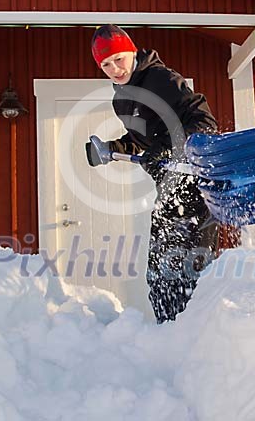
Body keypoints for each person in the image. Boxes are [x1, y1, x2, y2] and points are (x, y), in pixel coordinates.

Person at [86, 24, 219, 323]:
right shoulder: (121, 99)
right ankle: (168, 333)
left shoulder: (162, 79)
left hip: (196, 183)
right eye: (106, 64)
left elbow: (202, 120)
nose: (115, 69)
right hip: (169, 187)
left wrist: (172, 148)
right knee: (159, 270)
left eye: (119, 59)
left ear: (132, 52)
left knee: (192, 269)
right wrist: (111, 148)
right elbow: (144, 138)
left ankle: (200, 336)